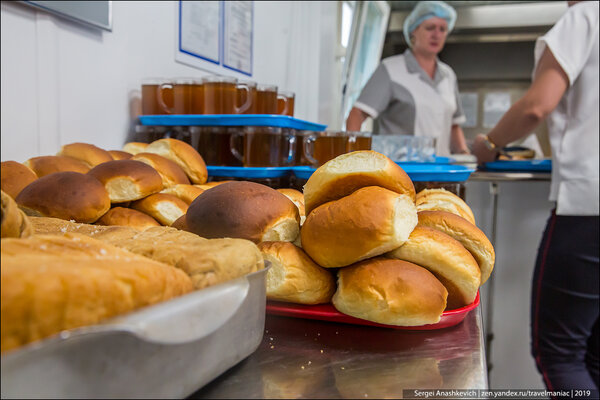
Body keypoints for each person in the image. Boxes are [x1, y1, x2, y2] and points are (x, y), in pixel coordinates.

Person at [473, 1, 599, 394]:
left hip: (588, 206)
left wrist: (490, 143)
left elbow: (537, 106)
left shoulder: (585, 17)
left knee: (558, 354)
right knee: (594, 353)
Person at [345, 1, 469, 157]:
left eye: (442, 29)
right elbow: (357, 114)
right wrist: (354, 158)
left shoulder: (448, 75)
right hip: (399, 171)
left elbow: (454, 125)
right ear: (413, 31)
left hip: (439, 171)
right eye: (430, 27)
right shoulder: (390, 69)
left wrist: (465, 155)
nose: (436, 34)